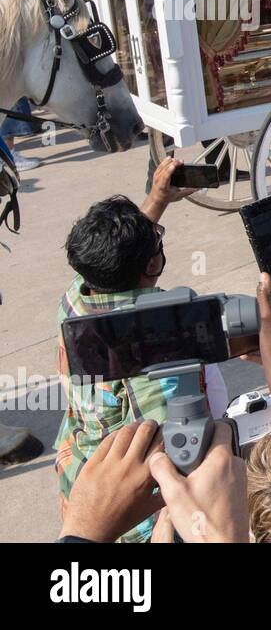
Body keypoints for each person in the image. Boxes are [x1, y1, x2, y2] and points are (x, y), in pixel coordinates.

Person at [53, 159, 224, 543]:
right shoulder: (161, 336)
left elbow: (109, 262)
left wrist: (156, 200)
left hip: (80, 482)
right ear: (153, 264)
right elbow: (178, 456)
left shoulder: (75, 300)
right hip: (136, 522)